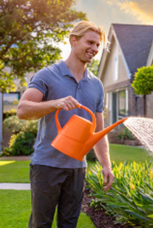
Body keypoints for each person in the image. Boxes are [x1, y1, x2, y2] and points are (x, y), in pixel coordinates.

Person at [17, 20, 114, 228]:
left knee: (69, 224)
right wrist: (56, 103)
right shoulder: (48, 75)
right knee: (40, 224)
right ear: (73, 40)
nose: (94, 49)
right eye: (90, 42)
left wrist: (106, 164)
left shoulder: (96, 85)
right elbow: (22, 110)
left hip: (77, 168)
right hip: (46, 165)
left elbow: (98, 130)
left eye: (98, 45)